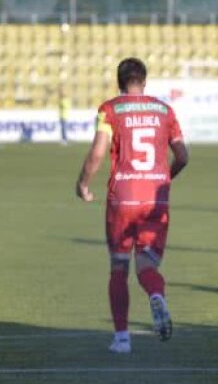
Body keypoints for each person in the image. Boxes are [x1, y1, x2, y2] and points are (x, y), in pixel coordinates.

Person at [75, 57, 189, 354]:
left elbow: (98, 153)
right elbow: (184, 156)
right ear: (145, 81)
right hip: (155, 199)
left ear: (119, 81)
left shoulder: (110, 109)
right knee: (147, 265)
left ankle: (122, 338)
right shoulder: (165, 110)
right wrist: (164, 180)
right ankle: (155, 294)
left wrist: (83, 183)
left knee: (118, 267)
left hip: (122, 198)